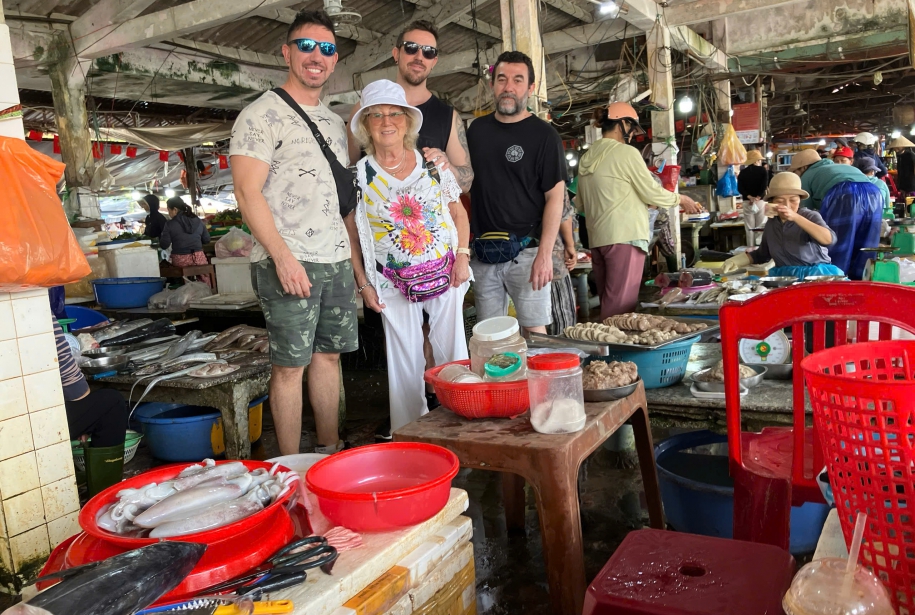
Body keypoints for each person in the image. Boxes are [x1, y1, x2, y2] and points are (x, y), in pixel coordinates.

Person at [230, 9, 358, 456]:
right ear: (287, 53)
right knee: (289, 366)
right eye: (306, 45)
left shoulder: (335, 123)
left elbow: (342, 200)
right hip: (289, 259)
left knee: (329, 357)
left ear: (334, 60)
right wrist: (283, 258)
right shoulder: (260, 115)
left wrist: (354, 264)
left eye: (326, 49)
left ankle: (328, 450)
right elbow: (246, 192)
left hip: (335, 259)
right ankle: (289, 465)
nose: (315, 56)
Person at [348, 80, 471, 432]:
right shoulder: (358, 176)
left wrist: (463, 257)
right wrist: (363, 284)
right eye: (376, 115)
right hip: (391, 282)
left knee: (454, 354)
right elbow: (351, 235)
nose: (387, 121)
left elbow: (459, 213)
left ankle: (463, 427)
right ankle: (413, 437)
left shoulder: (433, 163)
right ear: (366, 125)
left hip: (446, 272)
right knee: (404, 365)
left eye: (395, 114)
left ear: (407, 121)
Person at [465, 51, 565, 335]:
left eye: (517, 80)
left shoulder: (545, 136)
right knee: (490, 336)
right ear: (492, 84)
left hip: (528, 252)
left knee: (535, 333)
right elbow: (465, 187)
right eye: (502, 79)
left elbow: (555, 198)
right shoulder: (476, 131)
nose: (508, 87)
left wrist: (545, 255)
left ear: (530, 88)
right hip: (484, 254)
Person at [577, 103, 702, 319]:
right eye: (632, 129)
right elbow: (651, 192)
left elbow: (580, 204)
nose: (633, 135)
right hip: (626, 237)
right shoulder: (626, 153)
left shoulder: (586, 158)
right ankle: (615, 342)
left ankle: (607, 340)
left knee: (609, 302)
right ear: (622, 124)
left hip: (598, 239)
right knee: (621, 310)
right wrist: (681, 199)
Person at [347, 20, 473, 193]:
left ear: (434, 61)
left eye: (428, 52)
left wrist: (447, 166)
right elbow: (347, 171)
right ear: (396, 53)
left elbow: (466, 183)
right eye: (411, 48)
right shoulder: (364, 108)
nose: (419, 57)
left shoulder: (449, 116)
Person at [54, 317, 128, 496]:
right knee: (111, 403)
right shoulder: (34, 308)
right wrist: (87, 417)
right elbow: (75, 387)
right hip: (30, 425)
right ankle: (104, 496)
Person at [722, 172, 841, 278]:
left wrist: (795, 217)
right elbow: (762, 254)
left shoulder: (810, 216)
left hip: (815, 276)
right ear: (772, 202)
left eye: (793, 200)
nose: (787, 206)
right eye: (779, 201)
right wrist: (736, 261)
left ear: (800, 200)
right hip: (785, 278)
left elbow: (829, 240)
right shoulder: (772, 223)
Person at [788, 148, 882, 280]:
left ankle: (836, 283)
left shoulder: (807, 175)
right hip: (874, 193)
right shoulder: (835, 168)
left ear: (803, 168)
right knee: (865, 245)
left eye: (795, 172)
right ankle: (862, 283)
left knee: (837, 243)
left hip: (844, 193)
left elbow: (803, 212)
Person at [160, 197, 212, 286]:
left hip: (180, 260)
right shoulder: (198, 221)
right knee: (205, 282)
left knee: (181, 282)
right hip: (199, 258)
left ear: (175, 209)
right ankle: (207, 290)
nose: (169, 213)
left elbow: (164, 245)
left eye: (169, 210)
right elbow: (206, 240)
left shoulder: (170, 224)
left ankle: (183, 291)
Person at [738, 149, 769, 246]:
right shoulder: (763, 170)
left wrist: (749, 197)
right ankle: (760, 249)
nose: (760, 162)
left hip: (747, 202)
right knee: (760, 227)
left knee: (749, 228)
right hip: (760, 202)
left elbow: (740, 188)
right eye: (759, 160)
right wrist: (758, 197)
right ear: (756, 161)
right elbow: (764, 186)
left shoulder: (743, 173)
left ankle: (750, 249)